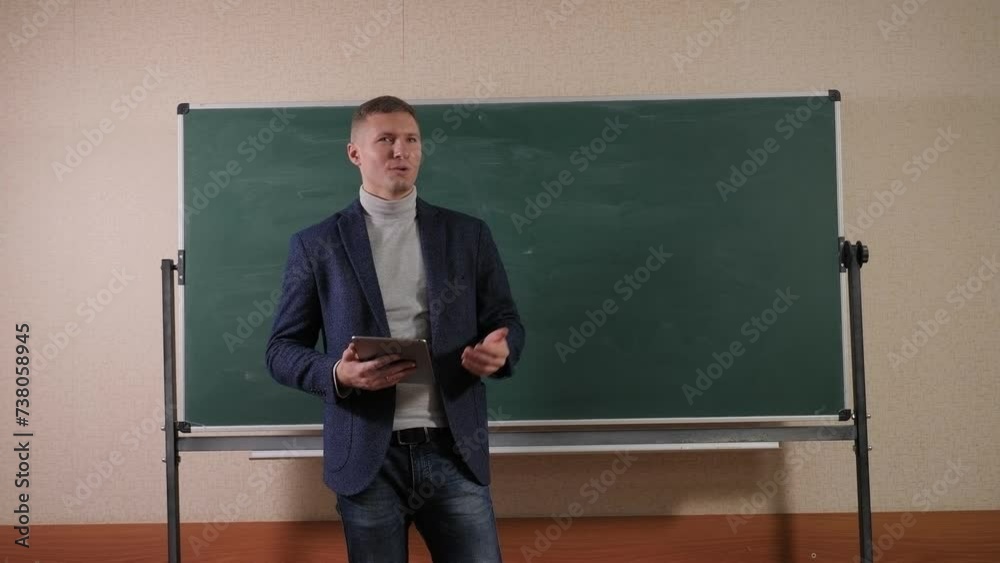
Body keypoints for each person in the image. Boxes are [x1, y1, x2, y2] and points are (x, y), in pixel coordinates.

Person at [265, 95, 525, 563]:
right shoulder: (316, 245)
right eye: (385, 139)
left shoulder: (468, 236)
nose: (400, 151)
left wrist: (501, 352)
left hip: (454, 452)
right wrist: (338, 375)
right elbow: (281, 350)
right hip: (367, 456)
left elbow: (505, 322)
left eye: (411, 140)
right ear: (355, 154)